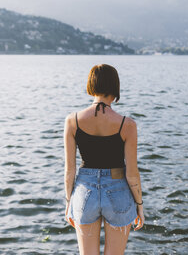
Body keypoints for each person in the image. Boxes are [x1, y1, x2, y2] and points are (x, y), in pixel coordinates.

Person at [63, 64, 145, 254]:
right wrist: (139, 205)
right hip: (118, 191)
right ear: (115, 88)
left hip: (85, 192)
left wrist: (69, 203)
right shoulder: (127, 124)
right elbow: (132, 173)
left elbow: (69, 172)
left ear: (91, 85)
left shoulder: (72, 121)